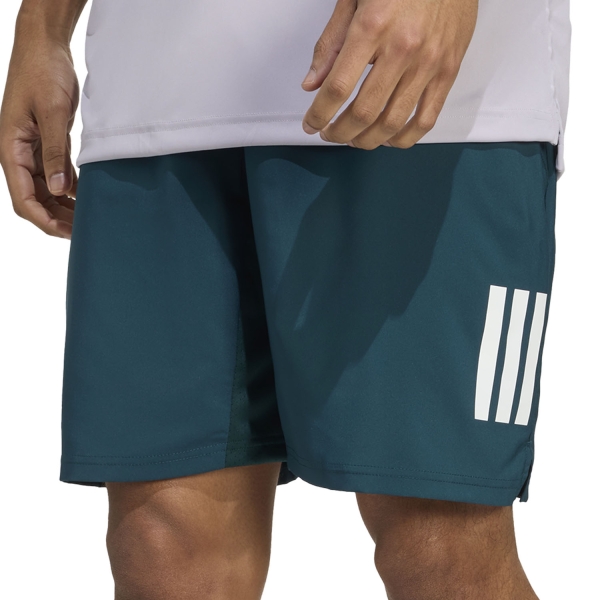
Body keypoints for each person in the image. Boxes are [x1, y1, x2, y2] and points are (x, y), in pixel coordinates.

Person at [0, 0, 571, 598]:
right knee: (164, 557)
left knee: (441, 551)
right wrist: (42, 28)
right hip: (148, 93)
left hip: (418, 95)